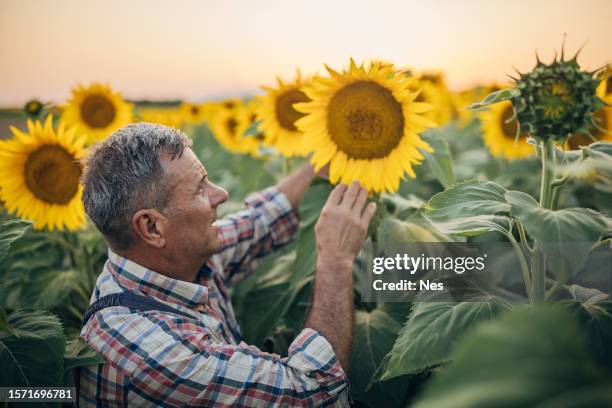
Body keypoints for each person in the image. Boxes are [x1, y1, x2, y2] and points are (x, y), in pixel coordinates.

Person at [78, 123, 377, 407]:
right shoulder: (149, 349)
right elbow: (315, 393)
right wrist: (335, 260)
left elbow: (266, 217)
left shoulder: (177, 259)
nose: (221, 195)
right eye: (200, 189)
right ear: (152, 227)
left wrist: (345, 137)